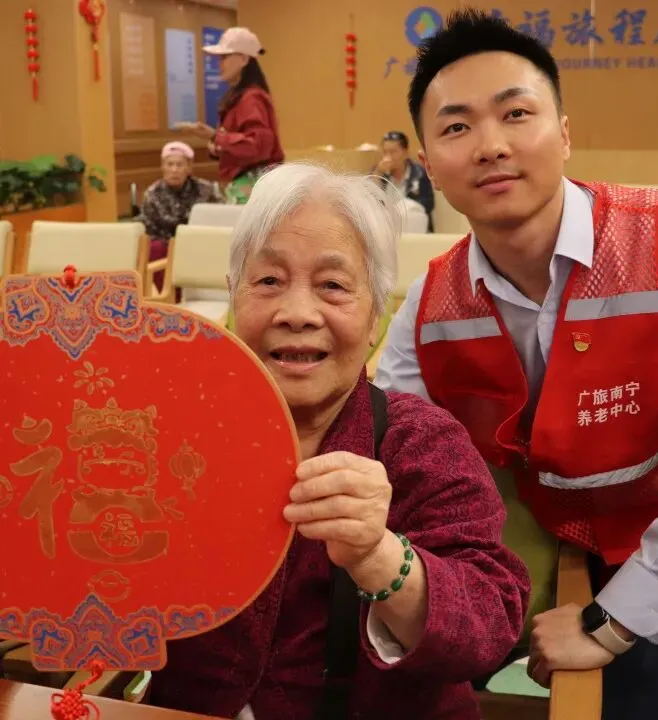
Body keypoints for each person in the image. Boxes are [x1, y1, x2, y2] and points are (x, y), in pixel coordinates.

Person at [374, 9, 658, 720]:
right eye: (457, 127)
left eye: (516, 114)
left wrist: (612, 623)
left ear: (563, 134)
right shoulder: (428, 304)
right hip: (537, 539)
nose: (491, 146)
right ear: (429, 164)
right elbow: (387, 454)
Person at [145, 163, 529, 719]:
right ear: (233, 297)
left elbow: (489, 627)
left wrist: (378, 555)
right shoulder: (170, 433)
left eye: (332, 286)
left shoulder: (421, 442)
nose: (298, 314)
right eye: (268, 281)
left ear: (375, 317)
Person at [181, 27, 284, 205]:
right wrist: (217, 146)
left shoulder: (251, 98)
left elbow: (258, 146)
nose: (220, 64)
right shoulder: (240, 97)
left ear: (243, 59)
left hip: (254, 185)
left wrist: (215, 136)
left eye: (225, 57)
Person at [139, 141, 223, 291]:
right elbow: (149, 231)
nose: (174, 170)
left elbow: (219, 220)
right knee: (154, 247)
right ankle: (168, 294)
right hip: (166, 246)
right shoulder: (152, 194)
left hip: (199, 244)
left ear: (189, 168)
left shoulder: (206, 190)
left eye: (179, 165)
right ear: (163, 167)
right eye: (170, 164)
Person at [374, 130, 435, 229]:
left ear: (406, 153)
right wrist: (378, 173)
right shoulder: (378, 172)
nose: (388, 157)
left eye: (393, 152)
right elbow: (369, 200)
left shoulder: (419, 173)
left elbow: (429, 204)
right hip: (387, 228)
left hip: (413, 227)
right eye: (385, 152)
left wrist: (406, 207)